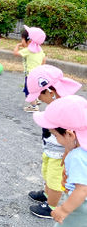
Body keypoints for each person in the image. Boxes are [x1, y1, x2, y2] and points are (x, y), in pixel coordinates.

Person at [25, 65, 82, 219]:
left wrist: (67, 154)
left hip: (60, 154)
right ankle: (46, 193)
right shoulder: (56, 105)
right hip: (50, 150)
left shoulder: (68, 108)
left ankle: (51, 206)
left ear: (50, 92)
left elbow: (74, 137)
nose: (39, 100)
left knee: (55, 179)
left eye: (39, 96)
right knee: (47, 173)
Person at [32, 95, 87, 226]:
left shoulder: (77, 156)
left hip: (80, 204)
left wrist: (63, 209)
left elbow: (82, 190)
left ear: (69, 134)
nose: (55, 138)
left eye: (55, 135)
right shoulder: (81, 148)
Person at [13, 25, 46, 112]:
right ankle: (36, 100)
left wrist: (17, 45)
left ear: (29, 41)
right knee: (36, 88)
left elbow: (15, 53)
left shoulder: (28, 50)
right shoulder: (40, 49)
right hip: (38, 74)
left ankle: (34, 106)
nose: (21, 41)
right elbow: (44, 59)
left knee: (28, 91)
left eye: (22, 39)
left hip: (30, 75)